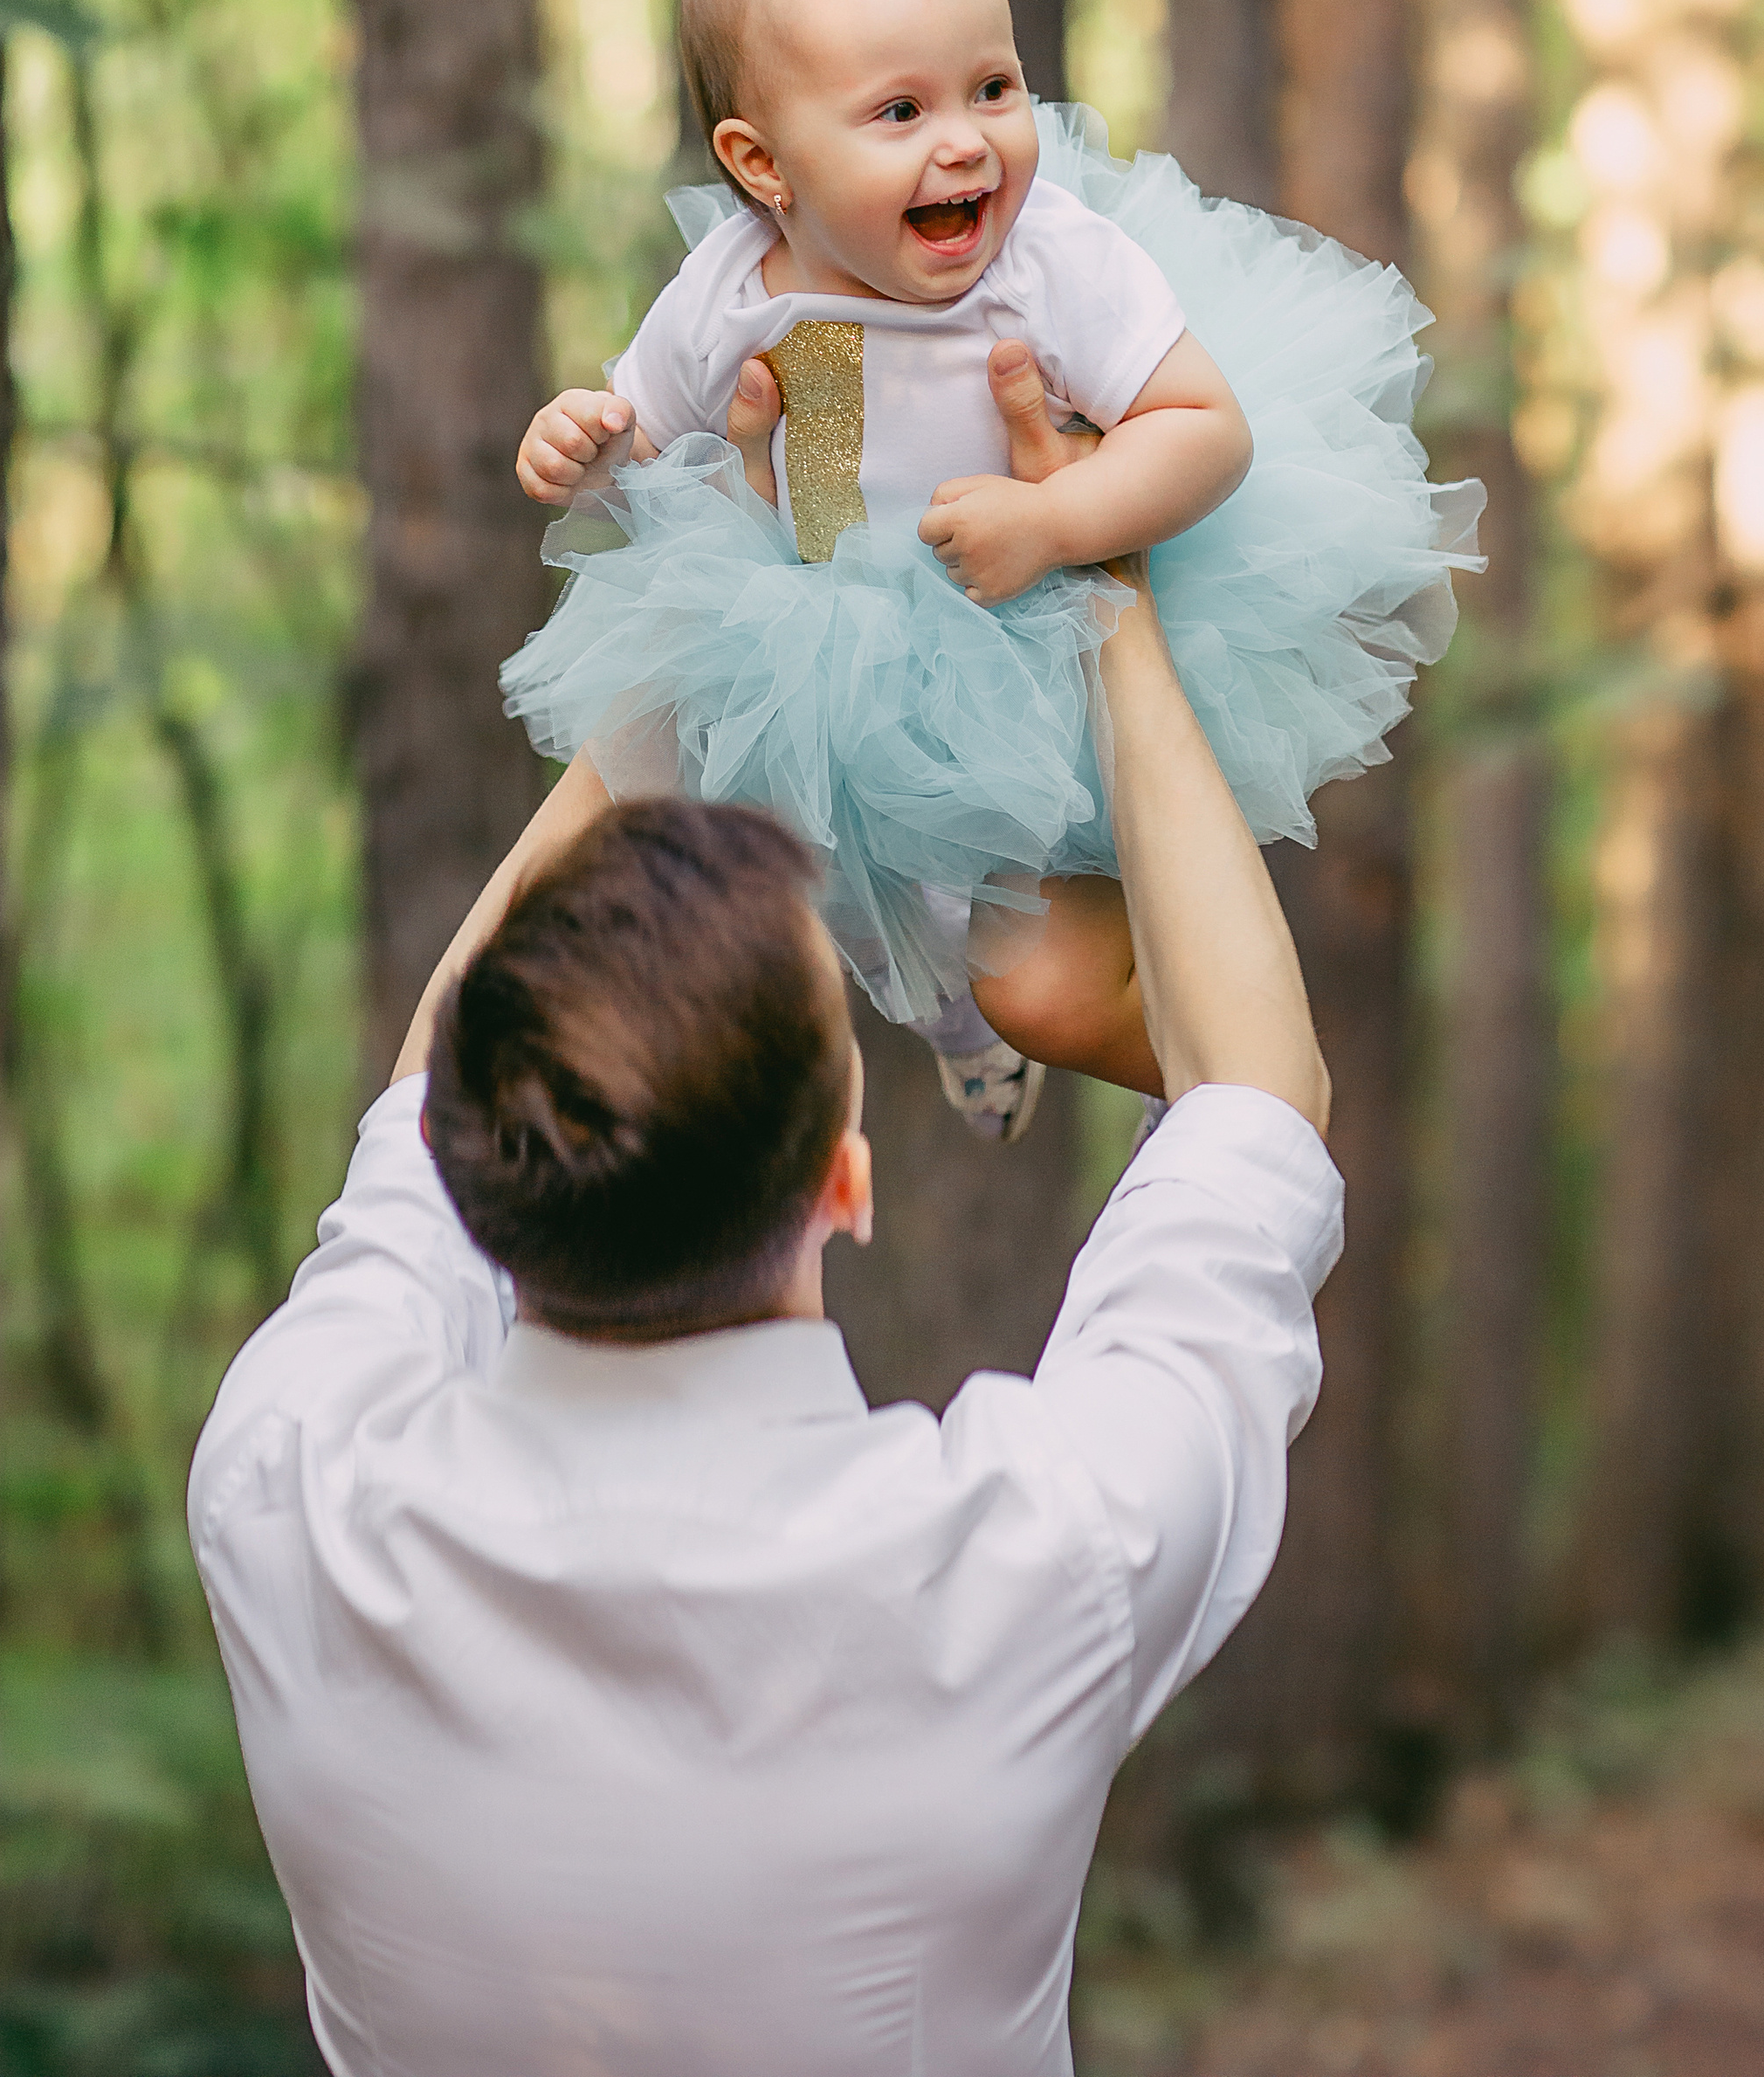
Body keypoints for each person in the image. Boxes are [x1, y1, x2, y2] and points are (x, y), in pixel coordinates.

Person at [189, 355, 1343, 2077]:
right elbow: (1255, 1106)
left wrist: (709, 628)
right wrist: (1103, 598)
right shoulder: (1027, 1563)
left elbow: (427, 1106)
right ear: (845, 1183)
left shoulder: (286, 1486)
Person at [503, 0, 1478, 1130]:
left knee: (1038, 979)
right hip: (833, 639)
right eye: (899, 110)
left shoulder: (1046, 264)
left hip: (1039, 636)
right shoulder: (733, 290)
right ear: (764, 165)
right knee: (798, 899)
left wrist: (1058, 524)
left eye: (994, 87)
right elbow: (662, 464)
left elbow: (1208, 430)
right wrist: (590, 450)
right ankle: (954, 1032)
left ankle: (1207, 1055)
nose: (967, 139)